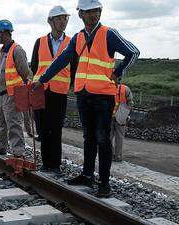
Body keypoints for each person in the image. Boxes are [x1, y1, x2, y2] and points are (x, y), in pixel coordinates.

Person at [33, 0, 140, 197]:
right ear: (81, 14)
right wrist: (43, 79)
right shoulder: (79, 38)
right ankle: (87, 175)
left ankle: (104, 182)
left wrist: (118, 71)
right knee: (88, 137)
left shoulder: (109, 33)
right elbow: (62, 60)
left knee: (102, 138)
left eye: (96, 11)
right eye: (89, 12)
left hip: (103, 96)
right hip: (83, 94)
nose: (93, 15)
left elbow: (133, 52)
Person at [31, 6, 73, 174]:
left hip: (59, 91)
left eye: (65, 18)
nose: (63, 22)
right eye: (59, 18)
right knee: (42, 129)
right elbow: (34, 65)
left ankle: (54, 165)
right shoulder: (40, 41)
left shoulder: (71, 42)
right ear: (50, 21)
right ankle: (45, 163)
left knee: (55, 129)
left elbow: (75, 67)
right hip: (41, 90)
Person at [0, 19, 32, 157]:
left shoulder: (17, 50)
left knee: (14, 123)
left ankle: (18, 151)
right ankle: (1, 146)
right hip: (0, 93)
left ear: (4, 33)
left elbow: (24, 72)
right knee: (1, 123)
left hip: (12, 94)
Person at [110, 83, 133, 162]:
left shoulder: (107, 86)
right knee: (119, 138)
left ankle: (109, 155)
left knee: (108, 138)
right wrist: (126, 114)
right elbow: (130, 103)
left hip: (109, 117)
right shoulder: (125, 89)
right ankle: (118, 157)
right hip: (121, 117)